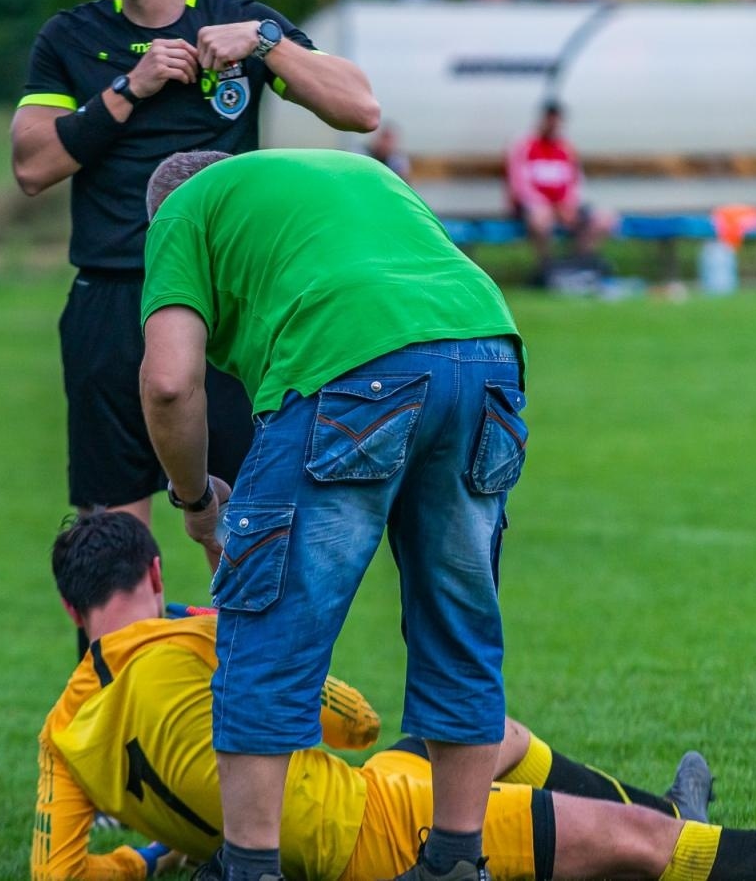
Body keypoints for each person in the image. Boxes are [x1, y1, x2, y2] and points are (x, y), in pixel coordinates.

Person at [33, 511, 756, 881]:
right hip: (378, 833)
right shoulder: (201, 636)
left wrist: (154, 859)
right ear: (155, 571)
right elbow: (352, 718)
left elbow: (61, 878)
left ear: (74, 610)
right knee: (648, 854)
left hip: (309, 826)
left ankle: (666, 808)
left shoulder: (61, 730)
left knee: (483, 732)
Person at [140, 148, 526, 881]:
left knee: (267, 630)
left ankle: (249, 868)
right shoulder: (352, 175)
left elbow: (167, 383)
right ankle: (453, 862)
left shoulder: (181, 211)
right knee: (461, 622)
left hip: (354, 370)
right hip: (489, 355)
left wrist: (195, 502)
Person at [8, 0, 378, 541]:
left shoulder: (239, 23)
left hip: (225, 308)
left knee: (238, 528)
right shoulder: (71, 38)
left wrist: (268, 44)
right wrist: (128, 91)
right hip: (110, 298)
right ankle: (117, 653)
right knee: (112, 541)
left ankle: (239, 655)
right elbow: (32, 166)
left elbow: (360, 108)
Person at [506, 101, 614, 283]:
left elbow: (576, 182)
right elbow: (520, 185)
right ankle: (547, 267)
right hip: (535, 207)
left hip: (565, 207)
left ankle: (581, 263)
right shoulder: (524, 146)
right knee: (541, 218)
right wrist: (553, 206)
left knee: (604, 218)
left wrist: (568, 205)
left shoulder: (566, 148)